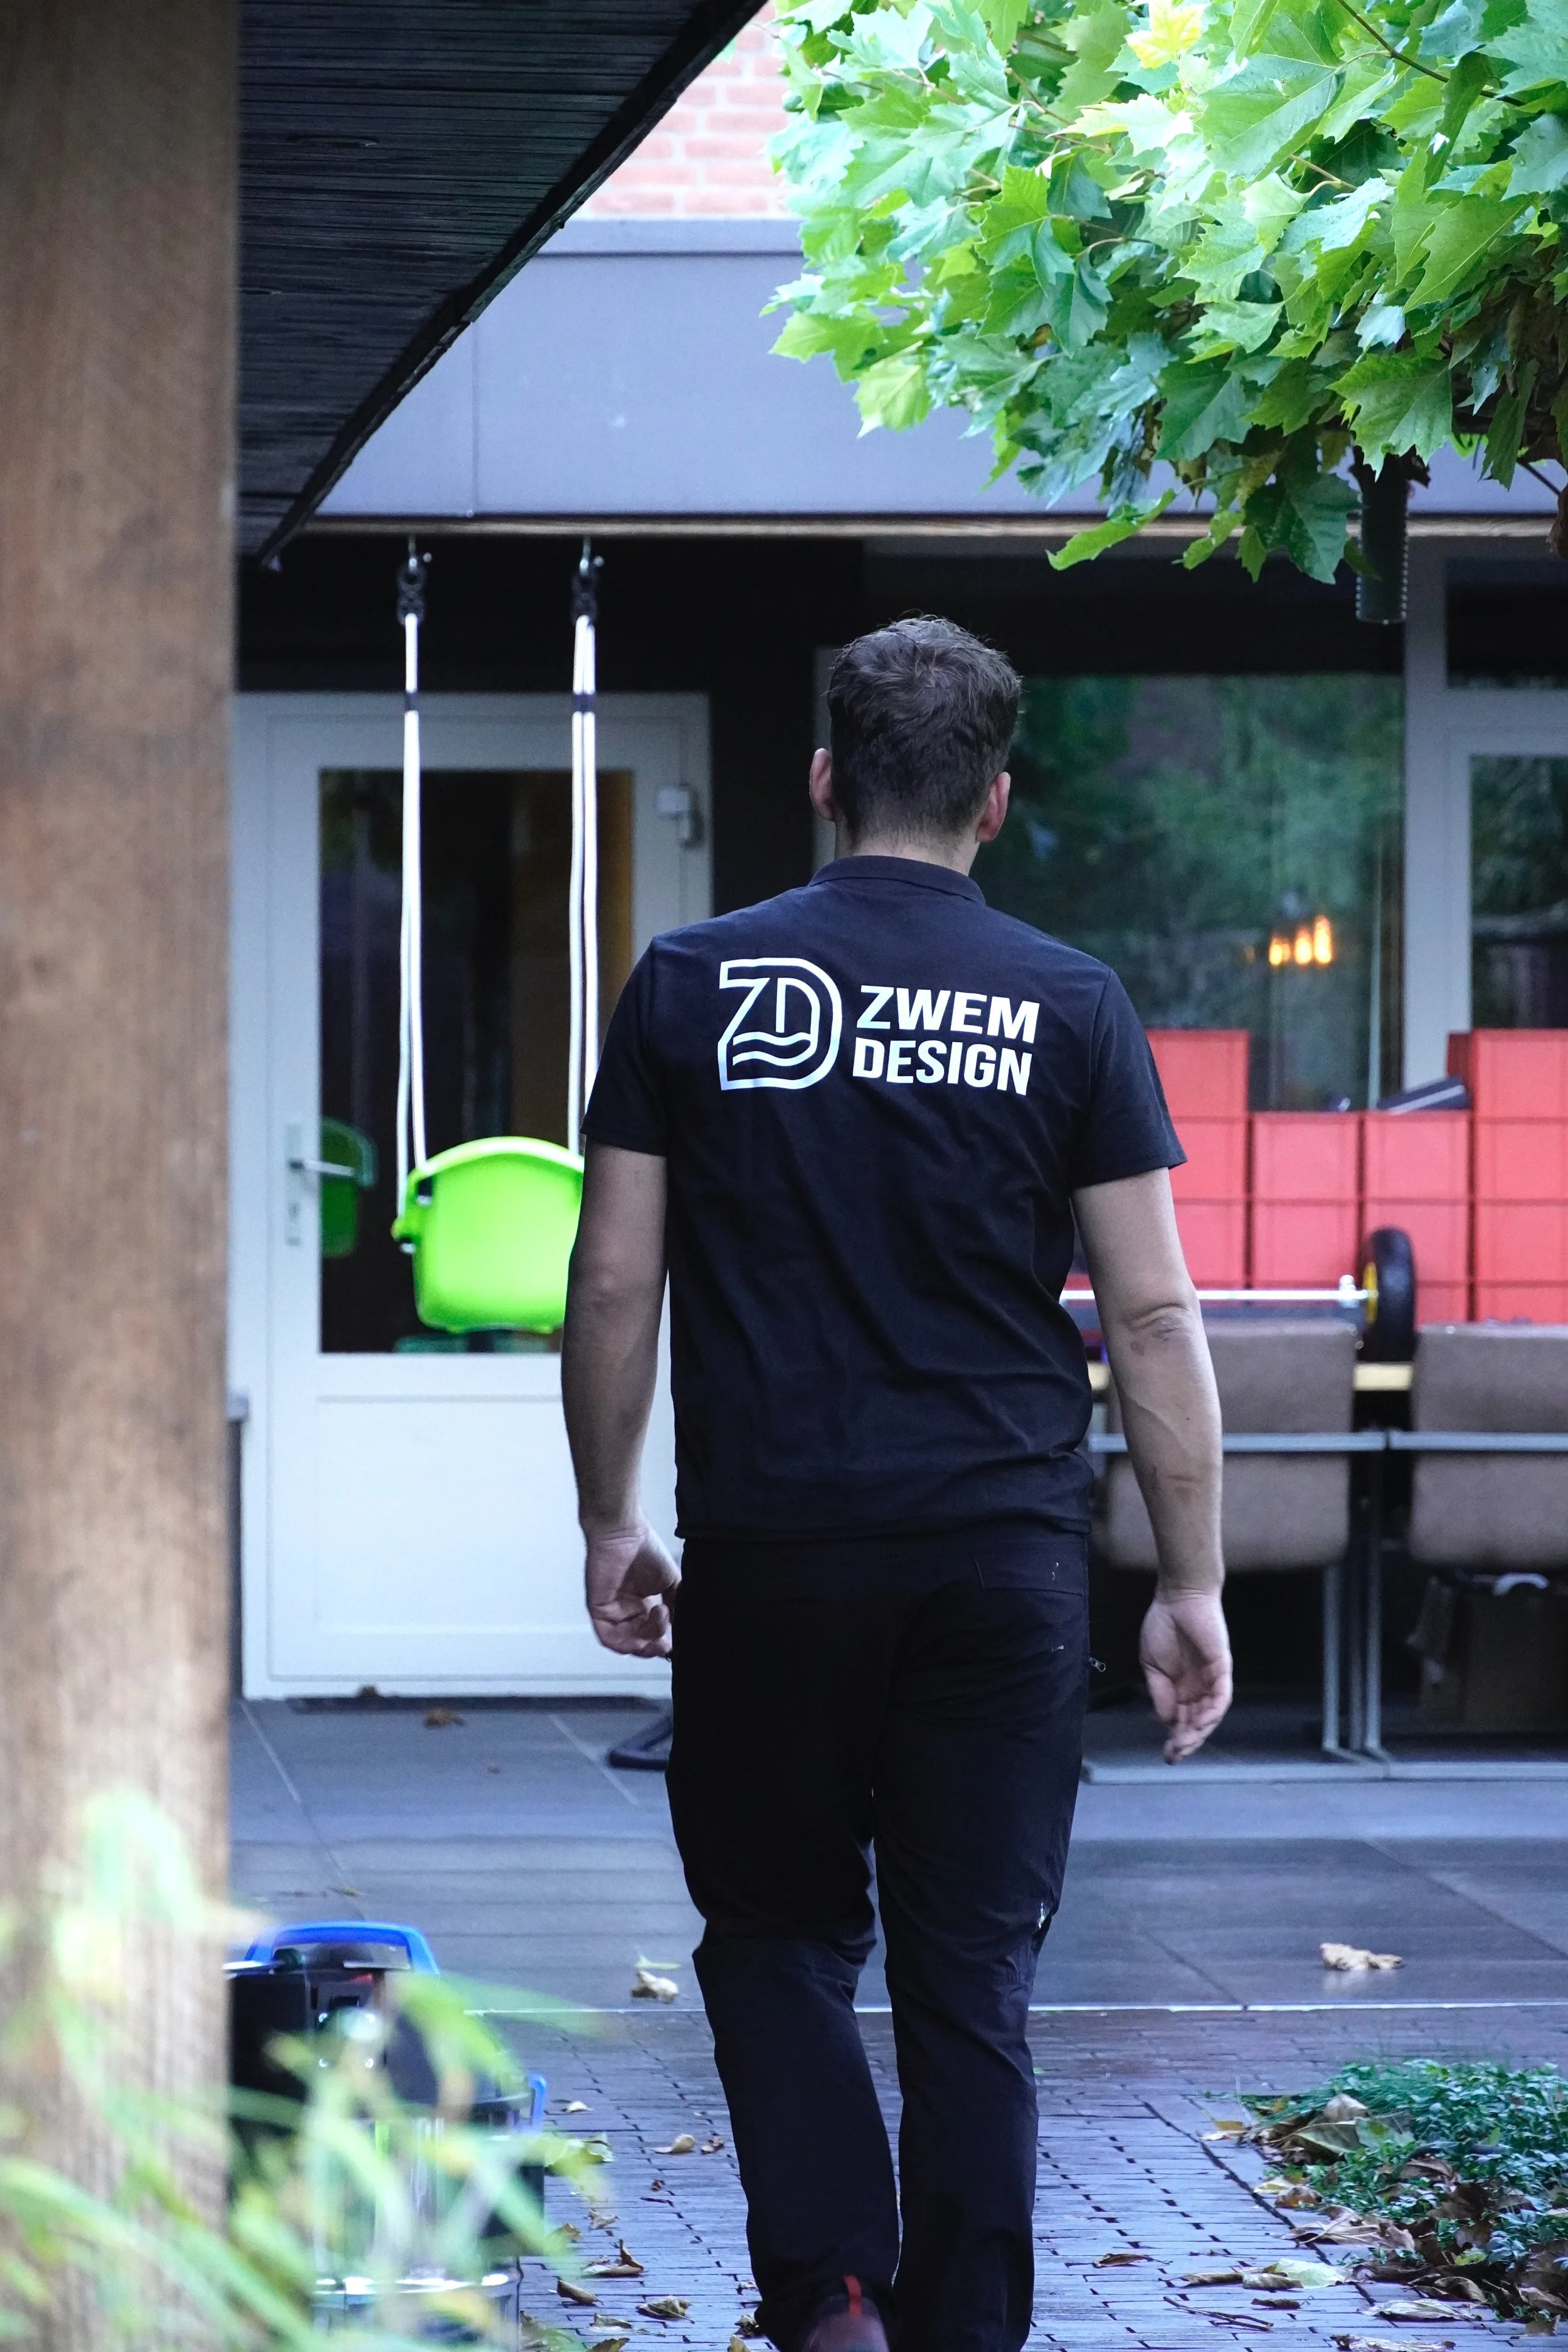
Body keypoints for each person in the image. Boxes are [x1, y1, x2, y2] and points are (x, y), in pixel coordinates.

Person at [561, 617, 1231, 2352]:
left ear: (821, 782)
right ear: (995, 799)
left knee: (775, 1933)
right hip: (1001, 1557)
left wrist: (611, 1517)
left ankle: (836, 2291)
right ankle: (965, 2326)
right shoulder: (1070, 1002)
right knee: (972, 1969)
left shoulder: (689, 982)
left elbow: (614, 1283)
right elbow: (1153, 1315)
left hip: (775, 1548)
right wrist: (1188, 1579)